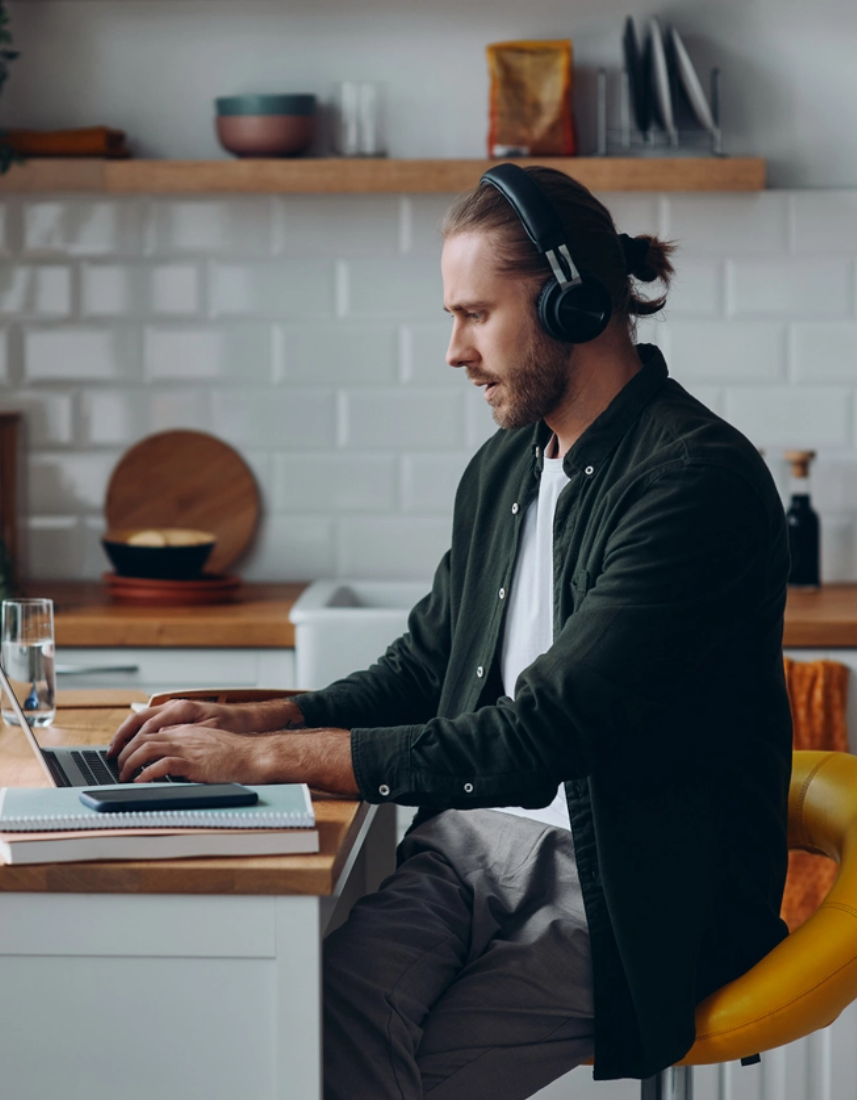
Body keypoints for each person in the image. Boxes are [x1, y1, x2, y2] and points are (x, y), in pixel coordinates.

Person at [108, 165, 793, 1099]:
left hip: (627, 887)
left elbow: (541, 737)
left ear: (572, 305)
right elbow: (427, 666)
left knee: (405, 1078)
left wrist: (269, 764)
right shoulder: (508, 464)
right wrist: (257, 722)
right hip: (471, 845)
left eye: (474, 315)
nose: (454, 351)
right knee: (306, 1031)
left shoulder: (692, 483)